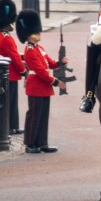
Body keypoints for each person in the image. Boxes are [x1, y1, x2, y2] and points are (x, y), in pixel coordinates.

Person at [17, 10, 67, 154]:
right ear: (29, 35)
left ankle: (42, 142)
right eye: (36, 32)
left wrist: (59, 62)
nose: (39, 34)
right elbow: (40, 71)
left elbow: (49, 63)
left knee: (43, 115)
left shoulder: (39, 48)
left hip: (43, 87)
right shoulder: (30, 51)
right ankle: (30, 143)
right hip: (36, 86)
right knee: (34, 115)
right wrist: (56, 82)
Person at [0, 0, 26, 135]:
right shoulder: (7, 38)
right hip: (10, 74)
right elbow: (14, 57)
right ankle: (11, 127)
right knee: (11, 103)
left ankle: (10, 126)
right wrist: (23, 71)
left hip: (4, 73)